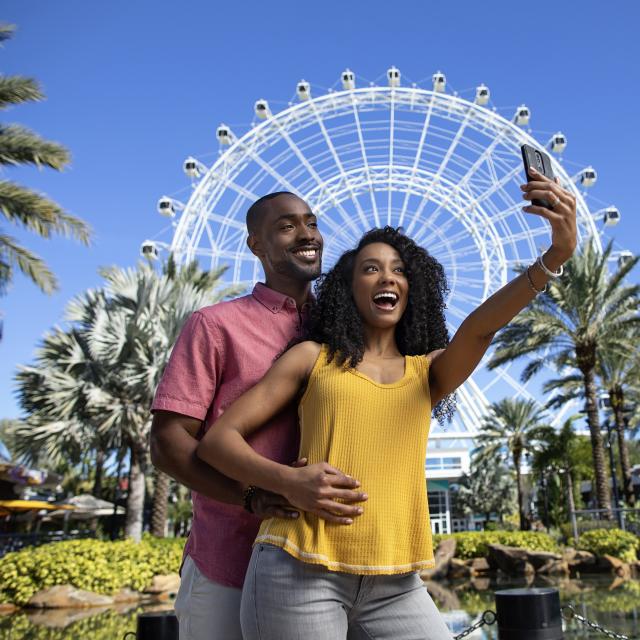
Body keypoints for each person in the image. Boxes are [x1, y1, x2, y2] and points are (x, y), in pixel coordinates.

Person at [195, 167, 577, 639]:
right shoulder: (311, 358)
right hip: (297, 567)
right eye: (370, 268)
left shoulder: (428, 373)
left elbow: (479, 327)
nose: (387, 277)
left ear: (413, 288)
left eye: (398, 269)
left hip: (397, 580)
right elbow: (216, 442)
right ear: (347, 288)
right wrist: (288, 482)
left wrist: (555, 256)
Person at [149, 192, 367, 640]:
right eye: (287, 226)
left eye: (311, 222)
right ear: (256, 246)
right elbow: (168, 445)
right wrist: (250, 495)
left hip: (334, 562)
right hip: (231, 558)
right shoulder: (214, 326)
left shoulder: (349, 331)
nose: (307, 234)